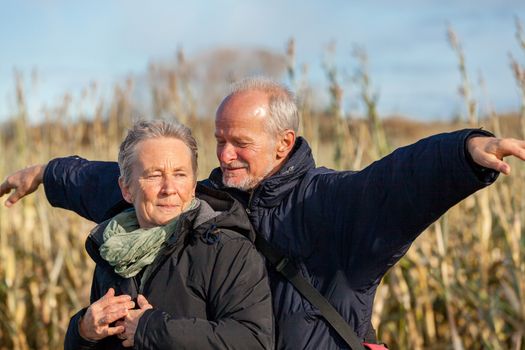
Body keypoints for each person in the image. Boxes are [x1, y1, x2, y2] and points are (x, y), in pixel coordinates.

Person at [2, 77, 525, 349]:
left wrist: (463, 153)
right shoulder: (206, 197)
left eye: (239, 143)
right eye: (219, 141)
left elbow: (398, 183)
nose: (224, 155)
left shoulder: (332, 204)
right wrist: (48, 172)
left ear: (283, 143)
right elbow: (125, 185)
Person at [63, 120, 273, 349]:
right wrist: (83, 332)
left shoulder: (227, 250)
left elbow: (254, 341)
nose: (169, 188)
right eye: (154, 175)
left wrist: (151, 330)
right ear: (126, 189)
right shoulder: (112, 249)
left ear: (193, 185)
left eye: (180, 174)